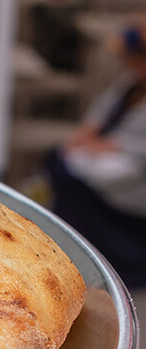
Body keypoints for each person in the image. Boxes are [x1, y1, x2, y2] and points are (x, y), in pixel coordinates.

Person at [47, 24, 146, 288]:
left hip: (135, 179)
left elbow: (136, 148)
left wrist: (95, 146)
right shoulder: (129, 85)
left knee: (78, 176)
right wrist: (84, 139)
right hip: (107, 155)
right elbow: (96, 118)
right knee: (60, 162)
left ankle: (107, 255)